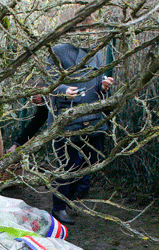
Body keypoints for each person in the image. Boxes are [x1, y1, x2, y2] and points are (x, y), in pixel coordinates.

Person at [47, 16, 114, 225]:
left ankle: (74, 195)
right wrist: (63, 90)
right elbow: (48, 81)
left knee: (91, 162)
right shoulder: (58, 50)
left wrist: (103, 86)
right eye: (83, 29)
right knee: (68, 164)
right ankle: (59, 207)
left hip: (92, 118)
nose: (87, 34)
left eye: (90, 30)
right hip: (67, 119)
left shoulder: (97, 53)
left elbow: (97, 85)